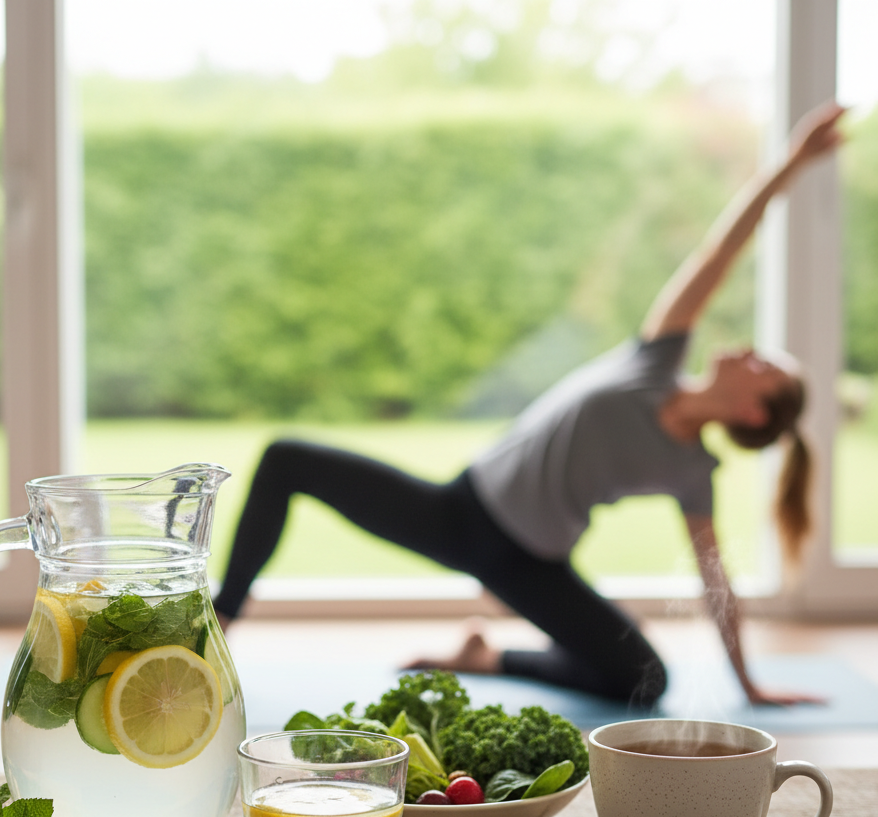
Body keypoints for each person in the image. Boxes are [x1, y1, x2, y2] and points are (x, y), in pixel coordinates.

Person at [213, 101, 845, 708]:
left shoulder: (692, 473)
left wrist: (750, 685)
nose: (752, 353)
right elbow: (719, 253)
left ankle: (487, 658)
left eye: (767, 369)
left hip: (532, 566)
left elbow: (716, 584)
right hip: (461, 517)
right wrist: (790, 163)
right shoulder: (657, 358)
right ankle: (219, 627)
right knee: (287, 459)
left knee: (647, 679)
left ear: (754, 414)